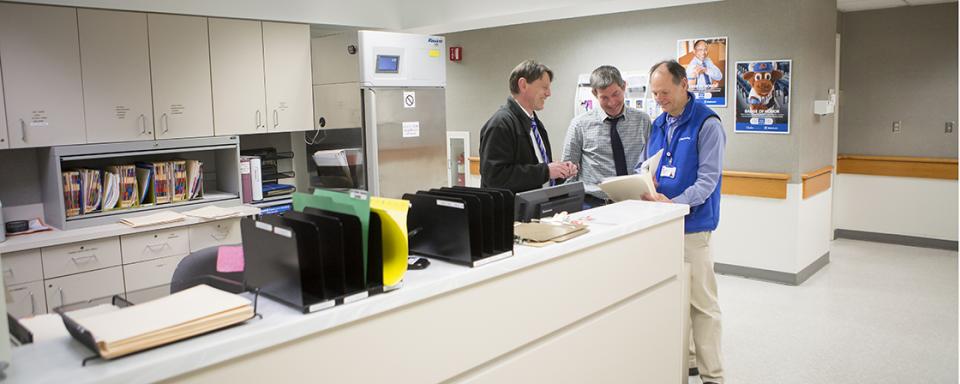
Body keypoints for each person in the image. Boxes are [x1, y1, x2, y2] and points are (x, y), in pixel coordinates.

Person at [640, 60, 726, 384]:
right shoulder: (658, 124)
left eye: (664, 92)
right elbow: (647, 164)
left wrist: (673, 205)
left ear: (684, 85)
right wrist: (644, 180)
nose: (659, 99)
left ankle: (713, 376)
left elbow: (707, 181)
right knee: (675, 298)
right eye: (655, 93)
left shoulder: (707, 123)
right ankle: (687, 361)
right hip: (663, 228)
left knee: (702, 305)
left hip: (693, 228)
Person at [479, 60, 577, 193]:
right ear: (523, 85)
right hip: (512, 207)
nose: (549, 93)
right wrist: (546, 171)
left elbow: (536, 173)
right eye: (544, 87)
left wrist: (560, 171)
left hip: (538, 203)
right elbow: (495, 177)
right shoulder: (500, 124)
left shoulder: (535, 124)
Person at [561, 65, 650, 208]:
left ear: (624, 87)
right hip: (594, 203)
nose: (612, 102)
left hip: (635, 201)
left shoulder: (643, 121)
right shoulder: (579, 124)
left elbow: (649, 162)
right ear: (594, 93)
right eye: (604, 97)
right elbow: (568, 169)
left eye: (616, 94)